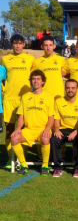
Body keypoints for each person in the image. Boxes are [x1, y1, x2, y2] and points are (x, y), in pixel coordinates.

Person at [11, 70, 54, 176]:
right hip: (29, 130)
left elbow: (51, 117)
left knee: (45, 138)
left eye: (38, 79)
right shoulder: (25, 97)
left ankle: (45, 166)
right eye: (33, 79)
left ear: (43, 81)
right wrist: (18, 129)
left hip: (42, 129)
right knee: (14, 138)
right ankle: (23, 165)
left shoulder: (49, 97)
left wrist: (48, 129)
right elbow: (21, 116)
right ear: (31, 81)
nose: (36, 81)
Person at [2, 34, 35, 168]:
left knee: (25, 129)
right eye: (15, 43)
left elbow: (34, 77)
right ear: (11, 44)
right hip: (9, 99)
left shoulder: (30, 59)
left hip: (25, 99)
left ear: (24, 44)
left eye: (20, 43)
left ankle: (22, 158)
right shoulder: (5, 59)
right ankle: (11, 159)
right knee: (9, 130)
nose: (17, 46)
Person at [51, 79, 78, 178]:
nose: (70, 90)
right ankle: (57, 167)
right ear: (65, 89)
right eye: (68, 88)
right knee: (54, 139)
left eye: (73, 88)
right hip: (62, 129)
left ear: (77, 89)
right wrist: (56, 129)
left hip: (77, 130)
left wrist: (76, 132)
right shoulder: (59, 101)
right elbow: (56, 119)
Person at [33, 35, 65, 100]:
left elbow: (67, 73)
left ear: (54, 46)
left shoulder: (61, 60)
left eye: (50, 45)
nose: (48, 48)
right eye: (46, 45)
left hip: (58, 96)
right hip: (43, 97)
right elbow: (33, 80)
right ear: (42, 46)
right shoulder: (36, 62)